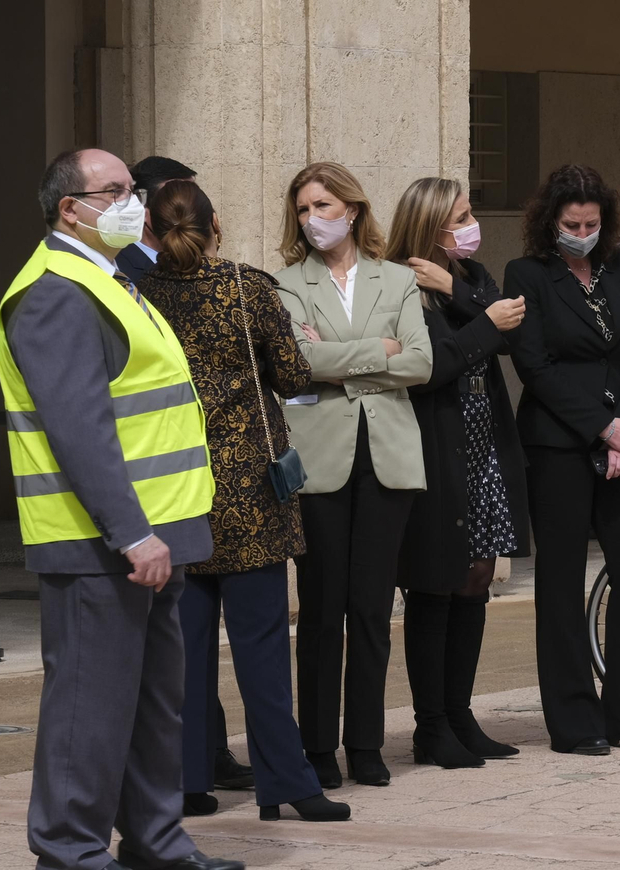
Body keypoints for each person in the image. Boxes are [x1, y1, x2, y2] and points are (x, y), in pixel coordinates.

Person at [1, 148, 240, 870]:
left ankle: (156, 839)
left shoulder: (111, 279)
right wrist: (131, 530)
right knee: (89, 708)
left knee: (150, 707)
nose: (133, 201)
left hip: (153, 534)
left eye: (133, 189)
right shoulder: (54, 290)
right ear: (70, 209)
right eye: (115, 191)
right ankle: (70, 850)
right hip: (100, 540)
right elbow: (80, 428)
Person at [137, 182, 350, 823]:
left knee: (186, 648)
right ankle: (288, 784)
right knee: (259, 644)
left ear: (148, 227)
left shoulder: (136, 295)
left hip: (177, 489)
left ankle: (188, 783)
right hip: (251, 493)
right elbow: (290, 375)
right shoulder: (244, 287)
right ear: (216, 224)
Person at [274, 162, 433, 787]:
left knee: (371, 606)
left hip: (387, 455)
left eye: (324, 205)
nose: (315, 218)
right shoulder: (286, 284)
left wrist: (339, 363)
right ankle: (316, 747)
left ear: (354, 209)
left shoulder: (396, 280)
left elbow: (419, 362)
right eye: (305, 209)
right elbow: (296, 360)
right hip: (320, 460)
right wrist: (377, 352)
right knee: (319, 609)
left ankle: (364, 744)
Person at [503, 164, 620, 756]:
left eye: (592, 223)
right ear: (551, 222)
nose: (583, 232)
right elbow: (534, 366)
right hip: (558, 446)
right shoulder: (527, 274)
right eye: (572, 223)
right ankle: (573, 719)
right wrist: (601, 429)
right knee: (563, 583)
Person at [117, 154, 255, 794]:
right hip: (166, 486)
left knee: (186, 640)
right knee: (178, 643)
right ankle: (185, 766)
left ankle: (199, 760)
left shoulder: (150, 276)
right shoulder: (132, 281)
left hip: (189, 483)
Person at [386, 177, 530, 769]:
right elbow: (430, 366)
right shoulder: (397, 282)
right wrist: (480, 318)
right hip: (433, 443)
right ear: (431, 225)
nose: (472, 226)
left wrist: (459, 291)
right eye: (462, 216)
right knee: (435, 582)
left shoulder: (467, 278)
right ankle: (431, 724)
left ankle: (461, 713)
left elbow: (510, 337)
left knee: (476, 577)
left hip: (482, 439)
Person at [117, 156, 197, 284]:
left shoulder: (197, 262)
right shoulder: (120, 270)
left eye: (194, 199)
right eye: (174, 201)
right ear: (140, 205)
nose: (190, 210)